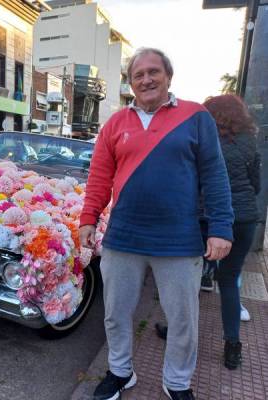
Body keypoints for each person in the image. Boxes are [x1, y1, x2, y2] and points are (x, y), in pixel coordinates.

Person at [79, 48, 234, 400]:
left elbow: (215, 175)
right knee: (116, 314)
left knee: (183, 320)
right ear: (130, 83)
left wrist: (221, 228)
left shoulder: (196, 116)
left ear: (168, 76)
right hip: (123, 238)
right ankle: (120, 372)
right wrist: (88, 218)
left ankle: (176, 382)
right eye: (138, 75)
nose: (146, 79)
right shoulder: (116, 123)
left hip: (179, 241)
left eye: (154, 72)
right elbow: (100, 176)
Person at [203, 94, 261, 368]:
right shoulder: (251, 144)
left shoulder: (207, 143)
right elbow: (256, 185)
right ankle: (232, 346)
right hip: (245, 219)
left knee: (190, 276)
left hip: (210, 219)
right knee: (229, 281)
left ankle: (178, 331)